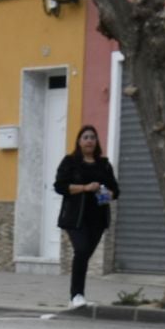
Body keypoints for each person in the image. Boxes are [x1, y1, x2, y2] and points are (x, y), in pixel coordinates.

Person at [53, 124, 119, 309]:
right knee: (81, 251)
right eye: (86, 137)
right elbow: (60, 186)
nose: (89, 140)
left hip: (97, 218)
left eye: (93, 137)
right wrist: (85, 188)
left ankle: (77, 295)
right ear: (79, 141)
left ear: (97, 142)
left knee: (84, 256)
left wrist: (106, 193)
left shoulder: (104, 164)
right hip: (75, 218)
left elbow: (116, 191)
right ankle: (76, 295)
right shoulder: (70, 162)